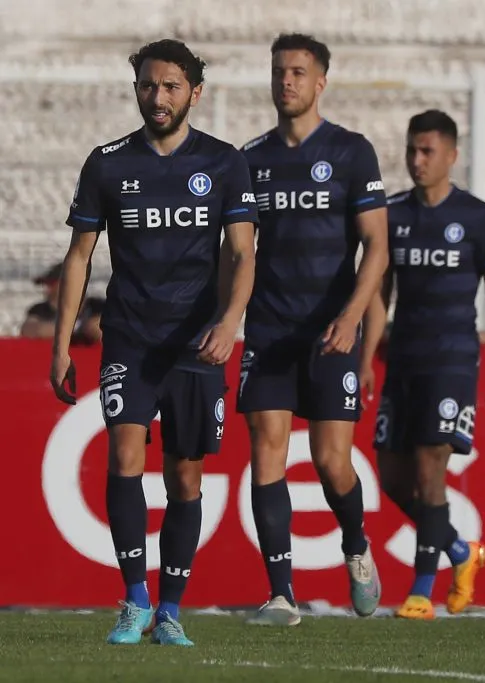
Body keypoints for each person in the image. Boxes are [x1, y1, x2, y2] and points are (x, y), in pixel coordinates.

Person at [50, 39, 258, 646]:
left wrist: (230, 322)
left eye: (170, 86)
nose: (157, 96)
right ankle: (135, 600)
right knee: (124, 457)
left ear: (196, 92)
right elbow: (79, 256)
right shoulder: (107, 163)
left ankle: (170, 610)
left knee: (185, 479)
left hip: (197, 345)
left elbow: (243, 253)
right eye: (147, 85)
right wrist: (61, 345)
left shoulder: (224, 163)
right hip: (130, 338)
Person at [237, 33, 389, 626]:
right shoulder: (251, 159)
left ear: (321, 81)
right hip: (269, 328)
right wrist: (227, 315)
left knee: (331, 462)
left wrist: (351, 317)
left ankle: (356, 544)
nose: (286, 81)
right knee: (266, 447)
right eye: (279, 70)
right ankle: (282, 593)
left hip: (331, 332)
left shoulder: (352, 152)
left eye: (298, 72)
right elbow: (237, 251)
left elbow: (377, 247)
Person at [365, 109, 485, 620]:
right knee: (392, 478)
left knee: (431, 469)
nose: (418, 160)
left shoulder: (477, 217)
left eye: (428, 151)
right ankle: (460, 550)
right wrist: (365, 358)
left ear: (452, 156)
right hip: (402, 362)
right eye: (412, 150)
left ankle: (421, 591)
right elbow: (380, 292)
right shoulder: (393, 213)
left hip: (452, 362)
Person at [21, 262, 103, 345]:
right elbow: (29, 328)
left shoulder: (97, 306)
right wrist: (76, 331)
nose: (47, 291)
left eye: (51, 285)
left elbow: (101, 329)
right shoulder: (41, 309)